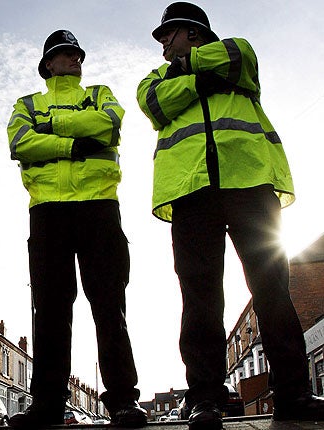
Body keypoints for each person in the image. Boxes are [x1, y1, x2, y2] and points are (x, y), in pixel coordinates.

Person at [137, 3, 324, 429]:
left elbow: (237, 60)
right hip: (190, 191)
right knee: (200, 298)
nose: (163, 43)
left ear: (194, 32)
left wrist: (188, 71)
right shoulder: (155, 79)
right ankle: (205, 398)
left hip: (250, 184)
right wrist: (198, 75)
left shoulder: (236, 51)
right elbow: (156, 104)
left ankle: (293, 394)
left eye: (170, 34)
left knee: (272, 290)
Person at [7, 30, 147, 429]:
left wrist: (52, 127)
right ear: (48, 64)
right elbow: (20, 142)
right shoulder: (27, 103)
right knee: (49, 311)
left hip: (99, 206)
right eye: (65, 54)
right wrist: (72, 143)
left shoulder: (100, 93)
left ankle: (123, 401)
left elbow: (110, 123)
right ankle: (48, 405)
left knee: (109, 306)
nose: (74, 59)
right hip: (48, 211)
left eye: (76, 54)